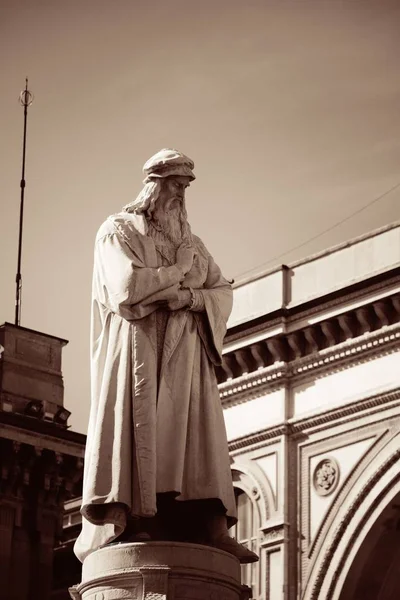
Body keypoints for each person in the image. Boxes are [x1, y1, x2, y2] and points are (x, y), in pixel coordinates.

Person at [74, 149, 258, 564]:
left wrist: (190, 298)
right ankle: (132, 517)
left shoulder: (192, 243)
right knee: (141, 430)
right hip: (138, 351)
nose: (180, 193)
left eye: (186, 186)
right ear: (154, 184)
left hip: (185, 356)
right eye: (175, 183)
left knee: (192, 438)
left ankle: (207, 524)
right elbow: (125, 289)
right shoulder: (118, 230)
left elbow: (221, 292)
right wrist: (175, 273)